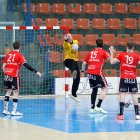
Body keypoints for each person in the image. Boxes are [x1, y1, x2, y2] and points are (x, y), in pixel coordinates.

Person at [2, 41, 42, 116]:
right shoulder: (19, 55)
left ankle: (5, 110)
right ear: (19, 47)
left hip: (7, 75)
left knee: (8, 92)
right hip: (14, 75)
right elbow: (26, 65)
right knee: (15, 92)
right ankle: (14, 111)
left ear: (13, 47)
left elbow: (3, 67)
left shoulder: (8, 54)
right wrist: (37, 72)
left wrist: (6, 73)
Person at [110, 43, 140, 120]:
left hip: (124, 78)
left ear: (126, 47)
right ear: (133, 47)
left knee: (122, 95)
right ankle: (137, 115)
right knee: (134, 96)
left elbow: (112, 62)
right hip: (133, 78)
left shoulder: (121, 54)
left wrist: (112, 53)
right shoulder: (137, 56)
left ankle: (121, 115)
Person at [82, 39, 110, 114]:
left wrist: (83, 71)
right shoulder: (104, 52)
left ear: (96, 45)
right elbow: (111, 60)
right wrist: (112, 53)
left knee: (94, 89)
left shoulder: (90, 52)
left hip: (90, 73)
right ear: (102, 45)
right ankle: (98, 106)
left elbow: (84, 63)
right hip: (97, 73)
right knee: (105, 88)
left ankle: (92, 107)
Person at [63, 33, 80, 102]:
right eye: (68, 37)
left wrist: (69, 40)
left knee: (78, 78)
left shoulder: (75, 41)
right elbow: (66, 44)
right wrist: (66, 40)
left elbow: (74, 45)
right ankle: (73, 72)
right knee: (72, 63)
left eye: (70, 36)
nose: (69, 37)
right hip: (67, 60)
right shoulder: (65, 44)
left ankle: (73, 94)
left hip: (75, 61)